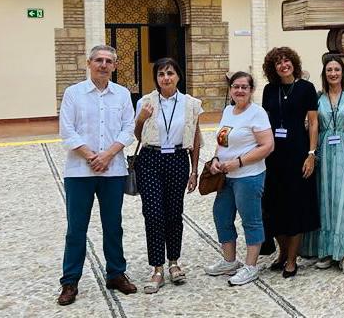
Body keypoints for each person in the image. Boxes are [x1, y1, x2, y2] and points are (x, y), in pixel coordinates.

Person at [57, 45, 137, 306]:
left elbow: (128, 130)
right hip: (80, 171)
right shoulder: (73, 93)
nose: (103, 65)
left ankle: (116, 273)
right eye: (98, 60)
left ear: (115, 65)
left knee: (113, 226)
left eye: (108, 61)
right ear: (89, 63)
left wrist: (107, 156)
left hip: (113, 171)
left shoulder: (123, 94)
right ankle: (70, 281)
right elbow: (67, 131)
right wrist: (92, 156)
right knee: (76, 229)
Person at [133, 58, 203, 293]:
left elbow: (195, 139)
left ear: (178, 76)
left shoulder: (191, 104)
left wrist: (194, 170)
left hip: (177, 159)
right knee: (153, 214)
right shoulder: (146, 101)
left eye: (170, 73)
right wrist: (142, 117)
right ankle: (157, 268)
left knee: (174, 213)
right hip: (150, 159)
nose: (166, 78)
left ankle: (174, 262)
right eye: (161, 74)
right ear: (156, 78)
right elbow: (137, 134)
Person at [204, 71, 274, 286]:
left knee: (251, 220)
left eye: (244, 87)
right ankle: (229, 260)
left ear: (251, 90)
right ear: (231, 89)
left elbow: (268, 146)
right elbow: (223, 140)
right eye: (236, 86)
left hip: (248, 176)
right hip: (226, 176)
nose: (240, 90)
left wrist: (239, 162)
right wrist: (216, 158)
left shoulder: (257, 113)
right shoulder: (228, 110)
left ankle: (251, 266)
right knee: (221, 215)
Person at [302, 56, 344, 275]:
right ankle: (329, 250)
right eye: (329, 70)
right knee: (326, 200)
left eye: (337, 69)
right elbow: (312, 125)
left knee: (343, 199)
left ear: (343, 72)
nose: (333, 73)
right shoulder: (318, 99)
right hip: (325, 152)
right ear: (324, 74)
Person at [261, 47, 320, 278]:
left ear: (293, 63)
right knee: (274, 206)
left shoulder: (306, 88)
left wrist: (311, 154)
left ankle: (292, 259)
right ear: (272, 68)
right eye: (278, 62)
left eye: (286, 61)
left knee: (296, 206)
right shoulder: (269, 90)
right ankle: (282, 252)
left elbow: (313, 123)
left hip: (298, 153)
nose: (283, 65)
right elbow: (264, 121)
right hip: (274, 156)